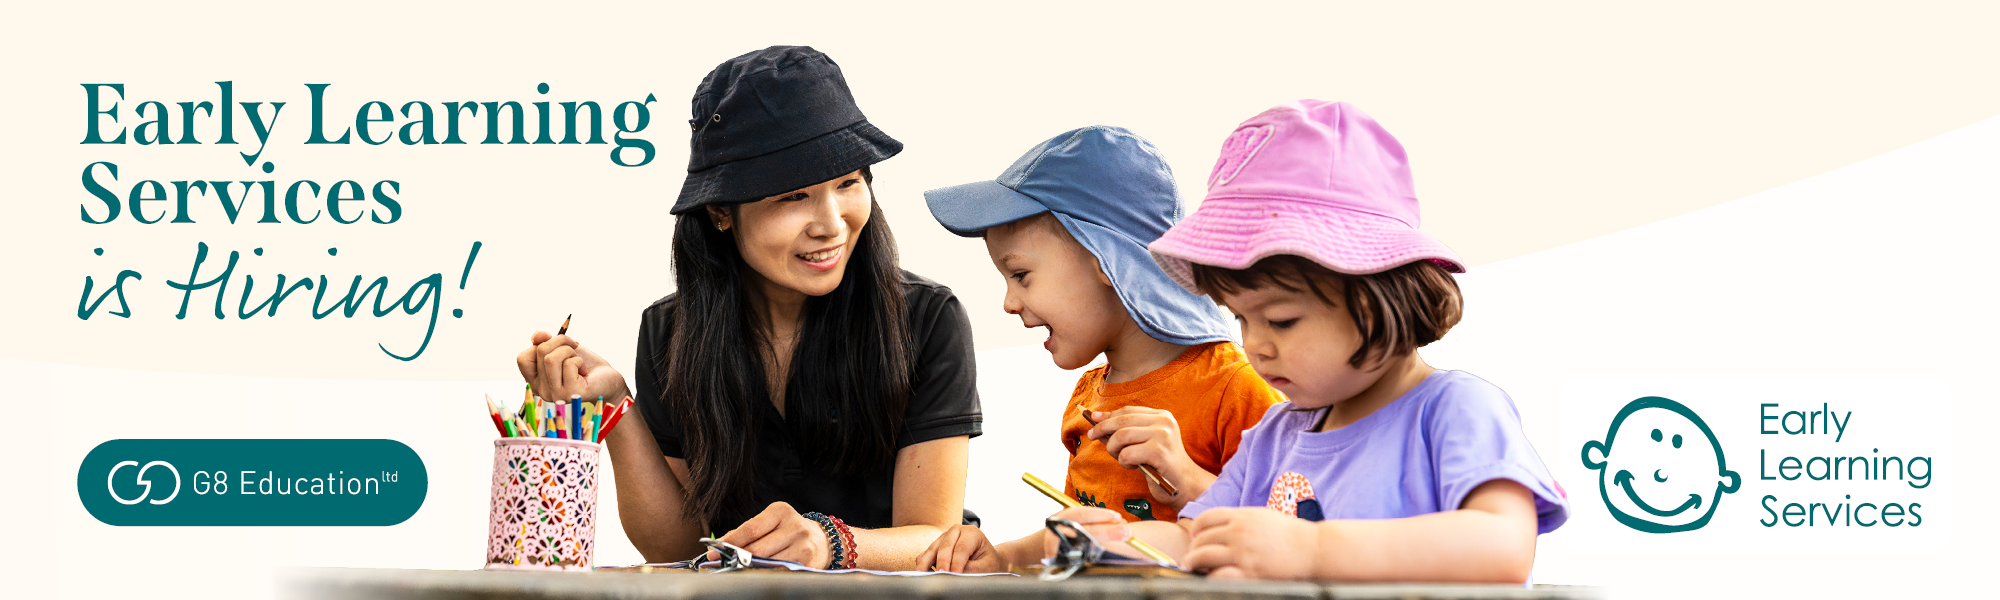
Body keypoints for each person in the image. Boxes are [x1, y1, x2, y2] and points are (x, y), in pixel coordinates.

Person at [1051, 100, 1568, 582]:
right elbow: (1195, 539)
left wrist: (1313, 551)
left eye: (1280, 321)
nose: (1256, 346)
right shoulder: (1275, 436)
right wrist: (1110, 541)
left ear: (1370, 299)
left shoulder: (1453, 409)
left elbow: (1504, 545)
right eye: (1241, 320)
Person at [514, 46, 981, 572]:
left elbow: (937, 540)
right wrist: (616, 409)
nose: (831, 223)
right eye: (792, 196)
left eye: (848, 182)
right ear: (719, 212)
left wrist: (828, 541)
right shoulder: (670, 330)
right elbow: (676, 550)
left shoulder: (928, 319)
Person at [913, 127, 1283, 573]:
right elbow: (1078, 534)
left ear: (1105, 262)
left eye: (1022, 275)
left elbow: (1296, 533)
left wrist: (1187, 477)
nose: (1009, 303)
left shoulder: (1235, 389)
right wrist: (1004, 558)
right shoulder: (1088, 397)